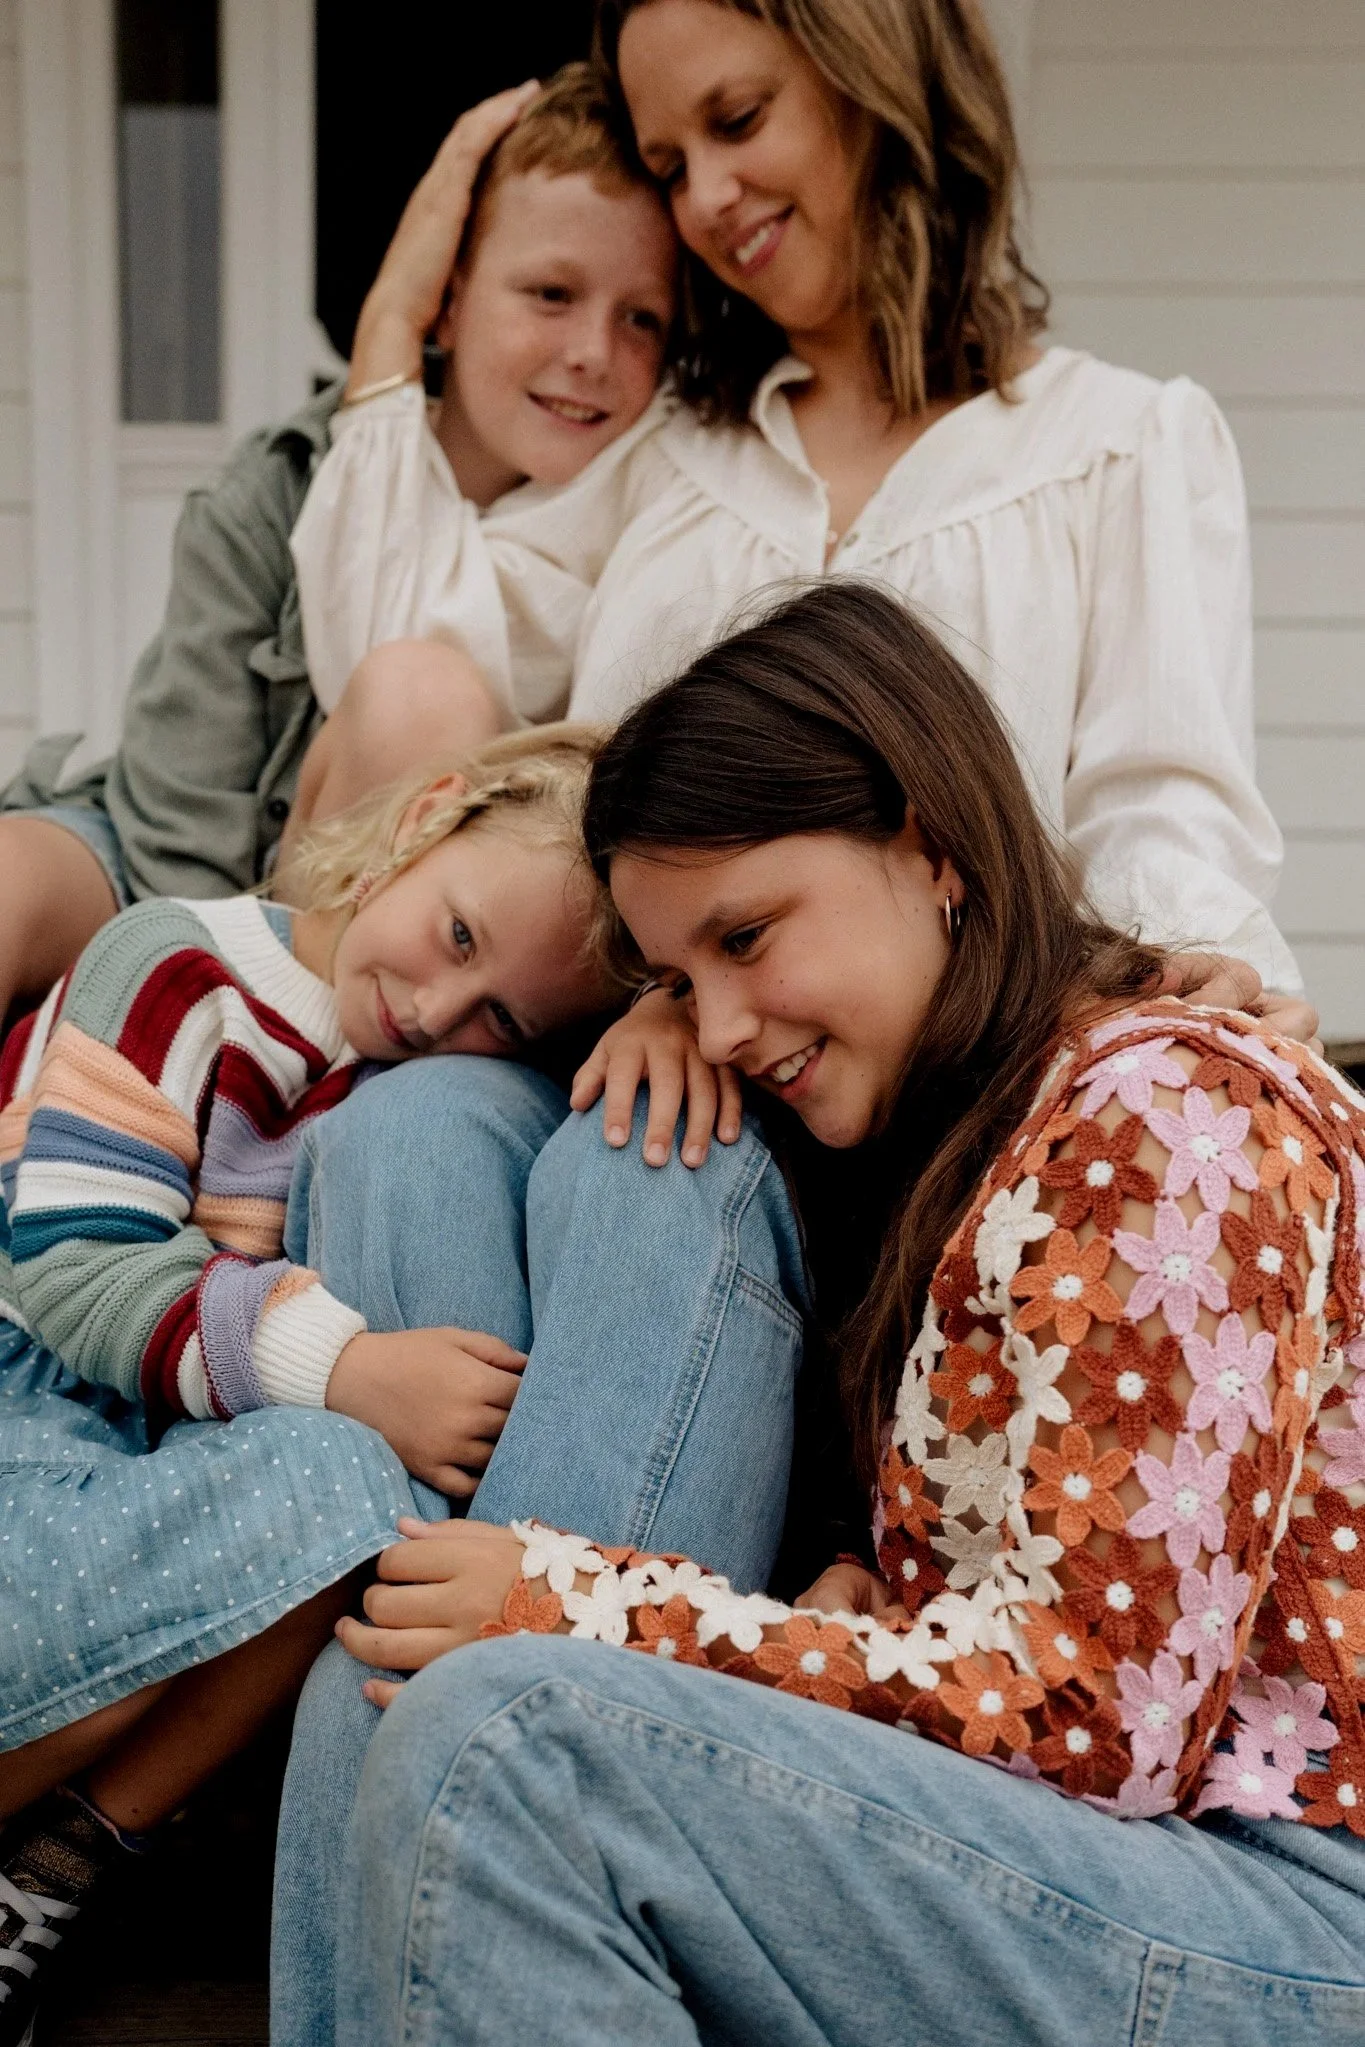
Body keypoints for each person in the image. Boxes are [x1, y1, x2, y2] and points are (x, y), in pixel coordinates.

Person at [320, 581, 1365, 2044]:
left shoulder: (1167, 1108)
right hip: (1120, 1875)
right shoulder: (969, 1146)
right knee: (436, 1717)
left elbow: (1094, 1722)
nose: (726, 1024)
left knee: (508, 1738)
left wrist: (576, 1600)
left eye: (748, 936)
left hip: (1293, 1908)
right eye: (683, 976)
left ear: (930, 844)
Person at [290, 0, 1308, 1019]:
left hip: (941, 1075)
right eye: (671, 166)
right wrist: (392, 322)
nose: (708, 201)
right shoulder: (674, 451)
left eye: (734, 120)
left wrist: (1194, 987)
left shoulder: (1119, 447)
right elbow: (394, 671)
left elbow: (1164, 819)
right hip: (633, 1069)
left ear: (872, 77)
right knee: (423, 1131)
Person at [0, 726, 639, 2045]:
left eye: (500, 1016)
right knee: (340, 1450)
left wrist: (671, 1020)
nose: (435, 1010)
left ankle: (47, 1870)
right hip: (26, 1378)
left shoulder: (407, 1079)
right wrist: (342, 1363)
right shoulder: (176, 962)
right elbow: (73, 1261)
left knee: (358, 1495)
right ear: (431, 816)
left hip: (145, 1449)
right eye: (457, 938)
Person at [0, 63, 679, 1027]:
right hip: (197, 872)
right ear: (445, 298)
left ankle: (274, 1085)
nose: (593, 353)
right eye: (550, 293)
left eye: (641, 318)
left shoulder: (650, 527)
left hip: (434, 957)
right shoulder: (283, 487)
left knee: (420, 697)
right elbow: (174, 834)